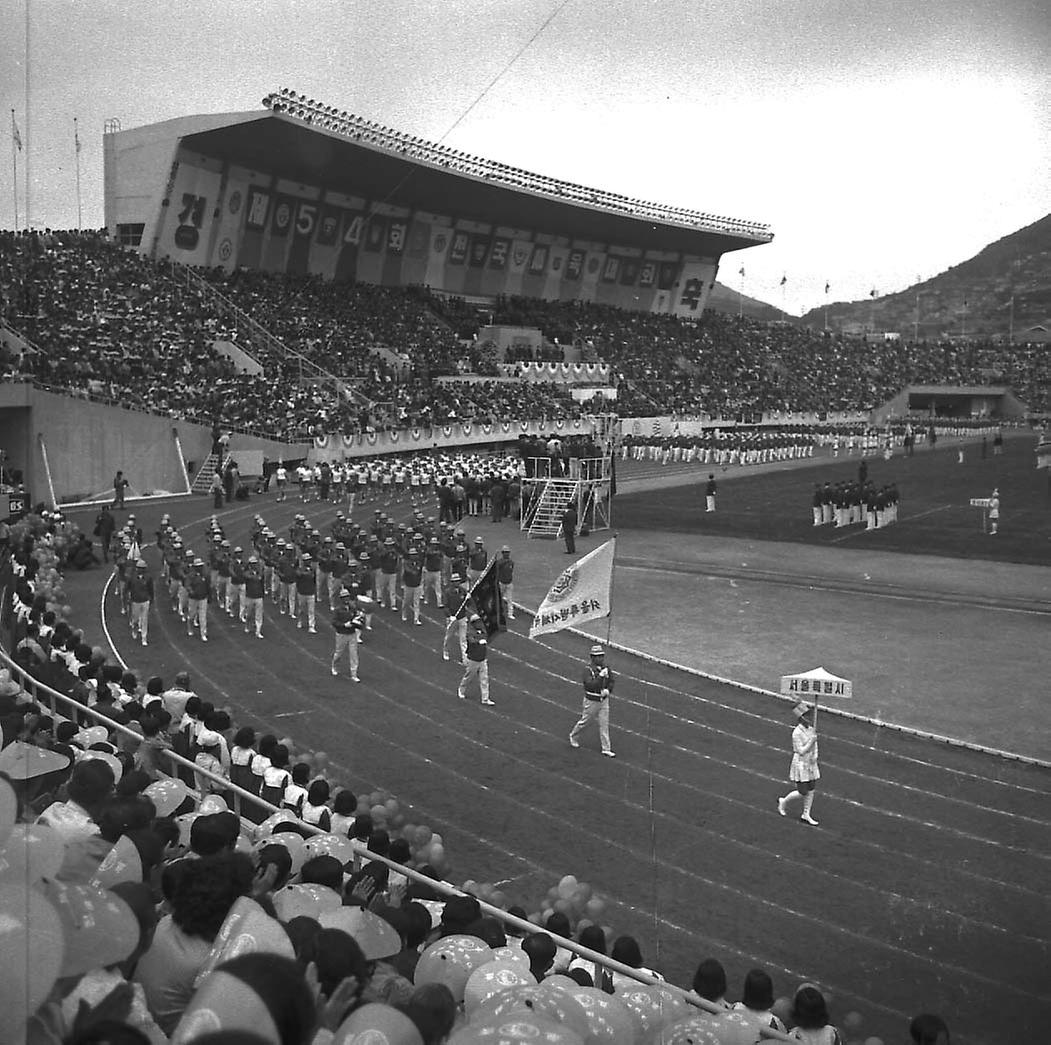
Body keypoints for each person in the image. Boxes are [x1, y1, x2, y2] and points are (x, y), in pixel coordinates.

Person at [568, 645, 616, 756]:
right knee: (585, 722)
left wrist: (608, 690)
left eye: (601, 656)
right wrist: (600, 676)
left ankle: (606, 748)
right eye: (597, 656)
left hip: (604, 701)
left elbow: (612, 680)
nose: (600, 659)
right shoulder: (587, 670)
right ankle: (573, 736)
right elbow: (590, 685)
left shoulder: (606, 668)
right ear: (592, 657)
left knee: (604, 724)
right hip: (592, 701)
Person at [778, 703, 821, 825]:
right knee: (803, 791)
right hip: (801, 763)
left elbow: (815, 745)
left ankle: (806, 813)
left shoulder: (811, 729)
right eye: (807, 716)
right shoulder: (796, 733)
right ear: (801, 718)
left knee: (811, 787)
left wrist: (815, 755)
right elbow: (801, 750)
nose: (810, 718)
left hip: (810, 762)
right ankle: (784, 801)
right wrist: (811, 742)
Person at [458, 614, 494, 705]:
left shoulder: (483, 632)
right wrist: (479, 642)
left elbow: (487, 638)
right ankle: (461, 689)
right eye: (478, 622)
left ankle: (485, 698)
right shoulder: (470, 632)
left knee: (484, 679)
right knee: (468, 677)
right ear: (474, 623)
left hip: (482, 659)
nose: (480, 623)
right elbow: (471, 640)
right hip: (473, 659)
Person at [331, 587, 365, 682]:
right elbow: (334, 622)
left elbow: (357, 618)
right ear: (341, 599)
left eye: (347, 597)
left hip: (352, 633)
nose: (347, 599)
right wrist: (344, 625)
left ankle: (354, 674)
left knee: (354, 654)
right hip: (341, 634)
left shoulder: (352, 608)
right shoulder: (338, 610)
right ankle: (334, 666)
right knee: (339, 653)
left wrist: (359, 619)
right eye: (345, 597)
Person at [128, 559, 154, 647]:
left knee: (144, 619)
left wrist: (152, 598)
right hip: (135, 601)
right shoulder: (132, 577)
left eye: (143, 568)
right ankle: (134, 629)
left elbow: (151, 589)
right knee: (135, 619)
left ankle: (144, 638)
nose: (141, 570)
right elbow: (128, 588)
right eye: (140, 568)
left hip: (145, 600)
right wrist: (128, 598)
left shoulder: (148, 578)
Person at [496, 545, 515, 621]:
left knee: (510, 599)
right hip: (501, 583)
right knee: (499, 598)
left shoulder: (511, 562)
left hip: (509, 583)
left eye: (507, 552)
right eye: (505, 552)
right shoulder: (500, 562)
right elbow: (497, 568)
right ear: (502, 553)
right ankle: (498, 612)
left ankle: (510, 613)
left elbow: (511, 571)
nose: (507, 554)